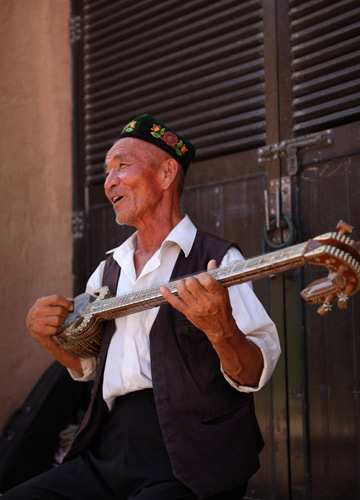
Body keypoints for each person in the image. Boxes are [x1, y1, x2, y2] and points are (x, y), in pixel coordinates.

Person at [4, 114, 280, 500]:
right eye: (105, 171)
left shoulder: (218, 259)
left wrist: (221, 328)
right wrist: (47, 338)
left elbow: (252, 374)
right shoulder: (107, 270)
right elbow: (87, 368)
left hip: (192, 456)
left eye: (122, 165)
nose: (108, 181)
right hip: (107, 446)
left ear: (167, 174)